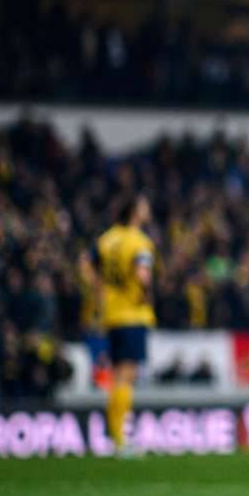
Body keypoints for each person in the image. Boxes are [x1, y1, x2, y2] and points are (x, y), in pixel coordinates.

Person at [96, 196, 155, 457]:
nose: (147, 209)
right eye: (143, 206)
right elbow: (143, 273)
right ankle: (120, 439)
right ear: (134, 212)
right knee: (126, 375)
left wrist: (100, 294)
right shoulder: (139, 241)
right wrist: (145, 294)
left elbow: (88, 265)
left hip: (111, 314)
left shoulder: (106, 240)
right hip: (132, 313)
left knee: (117, 374)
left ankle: (115, 434)